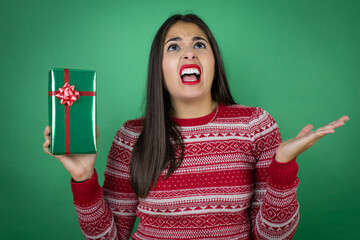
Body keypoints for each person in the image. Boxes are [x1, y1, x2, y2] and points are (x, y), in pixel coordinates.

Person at [43, 14, 349, 240]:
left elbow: (273, 237)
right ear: (158, 67)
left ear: (213, 61)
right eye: (173, 47)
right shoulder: (131, 136)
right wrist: (83, 180)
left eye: (199, 44)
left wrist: (283, 167)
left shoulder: (255, 125)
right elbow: (110, 238)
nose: (189, 52)